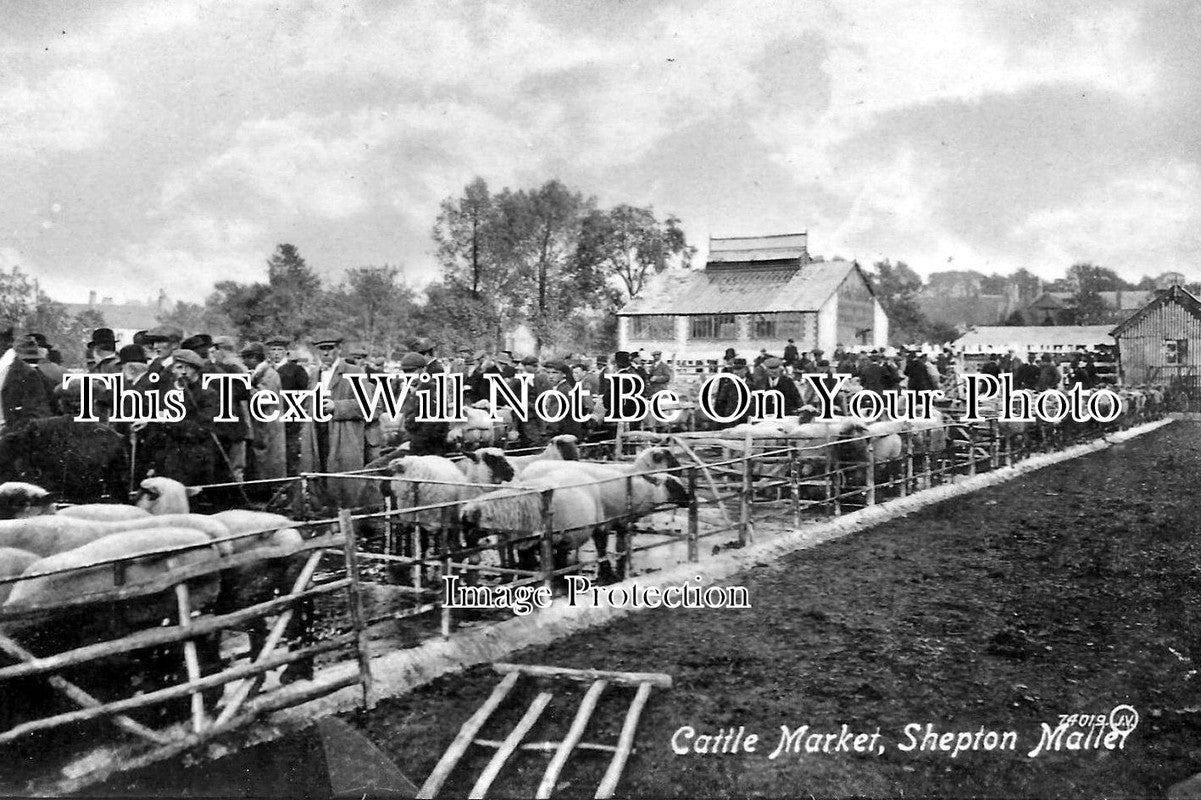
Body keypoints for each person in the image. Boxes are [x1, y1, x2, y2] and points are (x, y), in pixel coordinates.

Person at [240, 342, 286, 481]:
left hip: (269, 424)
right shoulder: (262, 373)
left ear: (254, 358)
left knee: (269, 459)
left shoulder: (270, 374)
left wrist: (247, 387)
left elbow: (265, 399)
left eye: (246, 358)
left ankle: (274, 490)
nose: (244, 362)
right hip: (263, 423)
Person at [267, 335, 311, 476]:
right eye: (273, 349)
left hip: (290, 419)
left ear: (286, 352)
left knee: (290, 455)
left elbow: (307, 392)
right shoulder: (266, 370)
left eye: (279, 349)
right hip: (271, 419)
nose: (276, 353)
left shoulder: (296, 370)